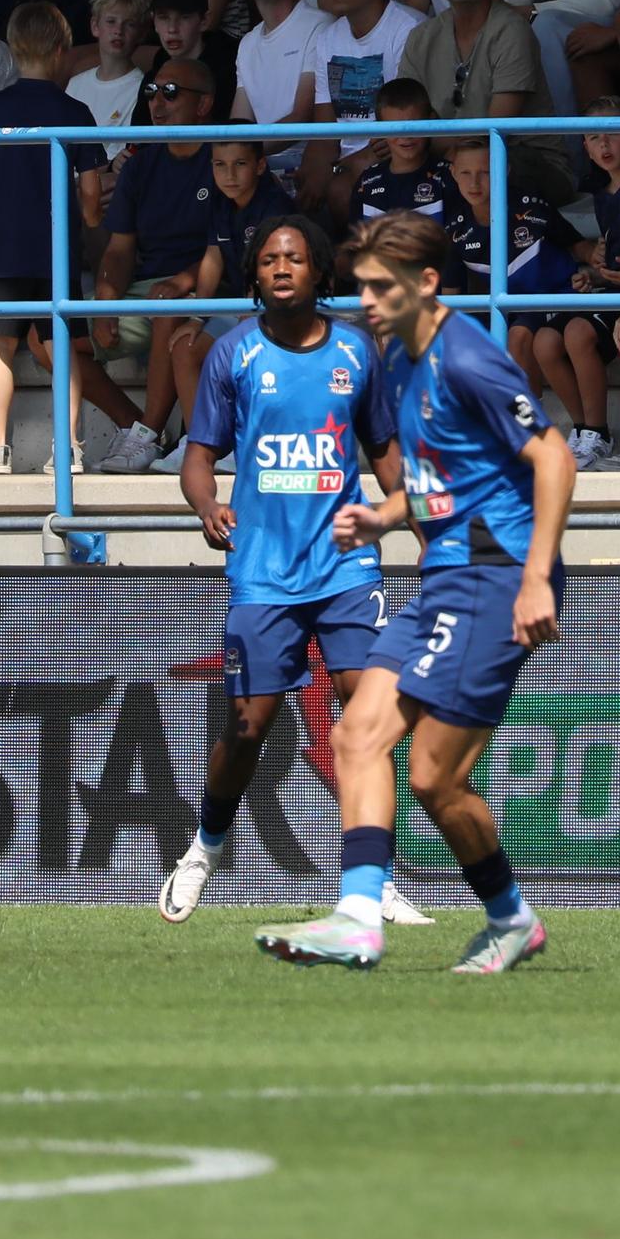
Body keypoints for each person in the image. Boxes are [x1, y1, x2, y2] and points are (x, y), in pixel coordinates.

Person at [257, 212, 568, 975]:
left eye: (380, 287)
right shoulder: (395, 355)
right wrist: (386, 515)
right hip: (447, 574)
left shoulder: (468, 357)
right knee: (356, 736)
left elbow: (554, 457)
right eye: (360, 286)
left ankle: (510, 918)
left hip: (496, 573)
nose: (364, 300)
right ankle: (358, 920)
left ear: (427, 283)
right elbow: (449, 477)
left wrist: (535, 579)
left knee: (434, 775)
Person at [156, 211, 434, 926]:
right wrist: (207, 506)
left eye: (295, 258)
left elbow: (384, 450)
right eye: (269, 260)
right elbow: (197, 458)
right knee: (248, 726)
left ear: (319, 272)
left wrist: (425, 528)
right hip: (264, 572)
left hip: (346, 567)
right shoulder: (233, 354)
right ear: (255, 275)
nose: (282, 268)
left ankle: (370, 879)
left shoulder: (357, 350)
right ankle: (205, 847)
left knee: (365, 715)